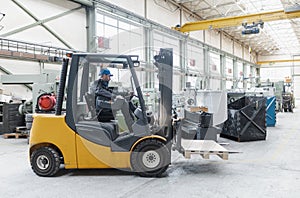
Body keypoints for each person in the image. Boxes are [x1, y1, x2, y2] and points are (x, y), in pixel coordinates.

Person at [95, 68, 135, 132]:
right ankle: (132, 128)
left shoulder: (103, 84)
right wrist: (115, 96)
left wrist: (126, 93)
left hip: (103, 105)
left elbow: (111, 91)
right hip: (101, 108)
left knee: (126, 101)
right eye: (109, 76)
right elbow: (100, 91)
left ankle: (133, 124)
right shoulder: (97, 84)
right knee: (123, 102)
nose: (110, 78)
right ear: (104, 75)